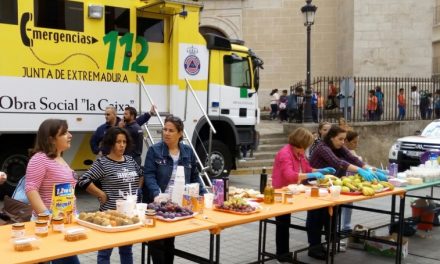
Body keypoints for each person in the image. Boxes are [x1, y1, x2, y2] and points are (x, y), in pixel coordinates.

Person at [307, 125, 386, 260]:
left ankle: (330, 243)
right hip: (315, 186)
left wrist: (370, 169)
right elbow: (338, 162)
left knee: (331, 216)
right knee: (316, 217)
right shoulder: (322, 148)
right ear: (331, 138)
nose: (343, 142)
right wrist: (360, 171)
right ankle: (314, 247)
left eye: (344, 139)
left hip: (332, 186)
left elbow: (353, 158)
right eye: (340, 139)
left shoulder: (339, 146)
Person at [143, 115, 207, 264]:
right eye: (165, 129)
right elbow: (149, 174)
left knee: (170, 242)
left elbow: (195, 177)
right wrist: (157, 193)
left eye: (171, 130)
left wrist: (205, 195)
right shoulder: (154, 150)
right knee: (157, 242)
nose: (166, 133)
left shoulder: (188, 152)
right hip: (157, 204)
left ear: (180, 133)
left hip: (177, 205)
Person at [78, 127, 143, 264]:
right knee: (105, 253)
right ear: (111, 143)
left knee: (126, 250)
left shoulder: (130, 160)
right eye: (118, 142)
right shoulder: (103, 163)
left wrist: (138, 190)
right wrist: (100, 193)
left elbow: (141, 174)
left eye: (124, 142)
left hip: (128, 216)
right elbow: (83, 181)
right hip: (109, 216)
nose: (122, 145)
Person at [272, 128, 335, 262]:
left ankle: (285, 253)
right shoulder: (285, 154)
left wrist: (321, 171)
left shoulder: (299, 153)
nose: (305, 149)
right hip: (281, 192)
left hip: (293, 191)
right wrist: (312, 175)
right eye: (305, 146)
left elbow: (307, 168)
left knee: (285, 222)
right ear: (300, 143)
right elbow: (289, 176)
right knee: (283, 223)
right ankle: (282, 255)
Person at [25, 119, 80, 264]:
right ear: (51, 139)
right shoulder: (40, 159)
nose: (70, 135)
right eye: (64, 133)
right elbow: (31, 189)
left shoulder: (59, 159)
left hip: (64, 226)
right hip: (49, 229)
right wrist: (47, 216)